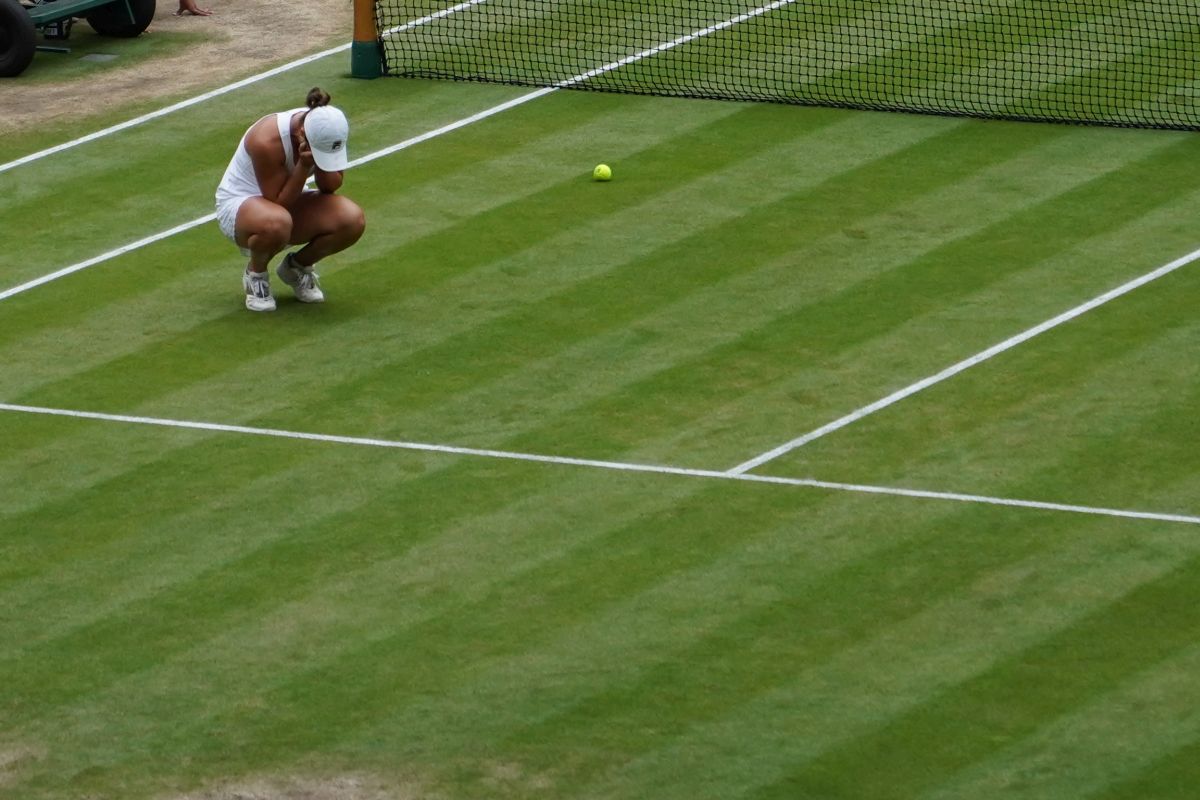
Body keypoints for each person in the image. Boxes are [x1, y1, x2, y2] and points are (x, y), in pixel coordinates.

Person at [215, 87, 366, 311]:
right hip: (240, 208)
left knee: (352, 220)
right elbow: (278, 202)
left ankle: (296, 268)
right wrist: (304, 165)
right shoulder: (266, 140)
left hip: (288, 200)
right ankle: (256, 276)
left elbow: (329, 186)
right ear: (302, 133)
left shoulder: (329, 131)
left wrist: (320, 159)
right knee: (276, 222)